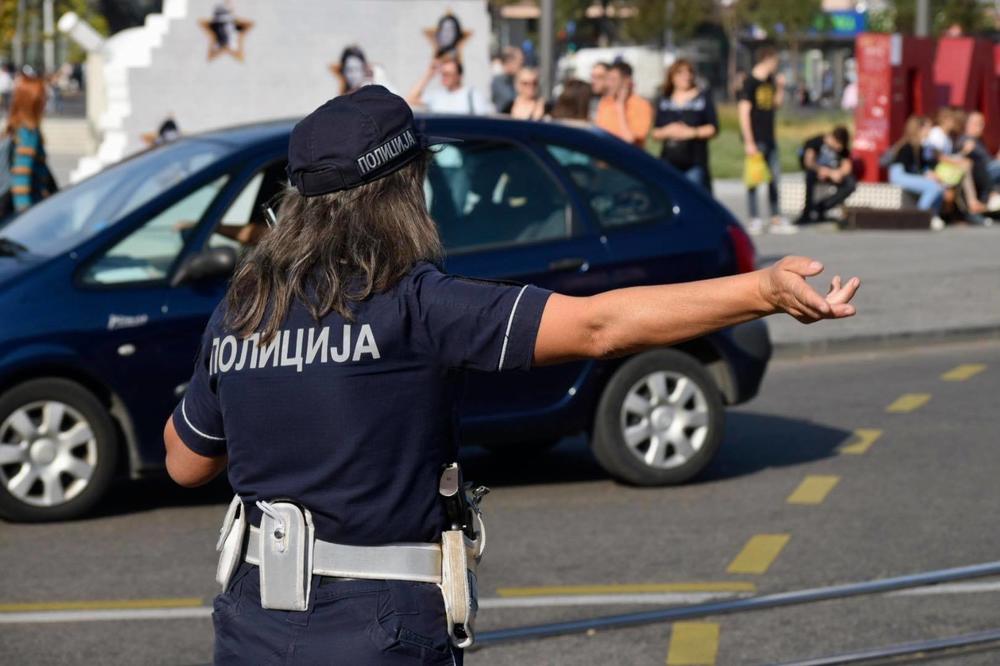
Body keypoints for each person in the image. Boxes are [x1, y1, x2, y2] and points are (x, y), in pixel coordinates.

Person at [163, 85, 860, 665]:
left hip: (252, 623)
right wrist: (760, 292)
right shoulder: (416, 304)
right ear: (405, 189)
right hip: (377, 628)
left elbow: (186, 463)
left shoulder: (242, 313)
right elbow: (599, 326)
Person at [738, 47, 795, 234]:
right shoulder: (750, 82)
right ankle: (754, 218)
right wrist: (749, 141)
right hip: (756, 137)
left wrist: (780, 88)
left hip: (770, 136)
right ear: (766, 59)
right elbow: (743, 112)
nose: (776, 66)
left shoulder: (770, 81)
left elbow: (775, 105)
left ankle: (775, 217)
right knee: (754, 179)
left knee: (774, 178)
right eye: (775, 62)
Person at [651, 58, 718, 191]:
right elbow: (655, 132)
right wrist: (669, 131)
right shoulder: (664, 99)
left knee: (694, 198)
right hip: (669, 160)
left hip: (694, 161)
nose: (686, 76)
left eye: (689, 72)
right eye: (680, 73)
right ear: (672, 76)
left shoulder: (702, 97)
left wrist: (691, 132)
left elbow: (713, 127)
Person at [2, 74, 56, 218]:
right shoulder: (28, 133)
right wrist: (26, 218)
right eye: (43, 97)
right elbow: (21, 180)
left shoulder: (14, 128)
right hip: (32, 209)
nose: (46, 101)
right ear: (33, 101)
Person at [888, 115, 945, 229]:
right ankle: (919, 215)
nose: (930, 131)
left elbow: (923, 166)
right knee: (933, 187)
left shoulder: (922, 146)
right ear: (919, 129)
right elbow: (909, 167)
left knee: (939, 187)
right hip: (900, 175)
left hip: (907, 174)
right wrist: (925, 175)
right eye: (928, 128)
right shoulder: (908, 146)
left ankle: (932, 214)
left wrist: (930, 173)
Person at [796, 126, 856, 224]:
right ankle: (807, 213)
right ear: (833, 139)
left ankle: (822, 207)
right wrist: (823, 171)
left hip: (833, 174)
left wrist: (838, 173)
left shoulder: (842, 148)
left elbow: (847, 166)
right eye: (838, 145)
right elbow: (809, 162)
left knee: (850, 183)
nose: (839, 148)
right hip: (816, 172)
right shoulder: (816, 142)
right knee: (810, 176)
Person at [594, 60, 653, 148]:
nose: (608, 84)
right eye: (608, 79)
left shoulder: (641, 105)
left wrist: (620, 107)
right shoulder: (606, 101)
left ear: (626, 81)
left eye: (613, 80)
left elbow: (630, 140)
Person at [407, 57, 493, 115]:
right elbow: (411, 99)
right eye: (443, 74)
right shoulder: (436, 95)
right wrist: (429, 74)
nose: (444, 77)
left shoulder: (472, 95)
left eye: (448, 74)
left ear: (459, 76)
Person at [490, 46, 523, 112]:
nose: (521, 66)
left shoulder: (513, 79)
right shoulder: (498, 80)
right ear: (509, 62)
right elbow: (509, 99)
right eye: (519, 62)